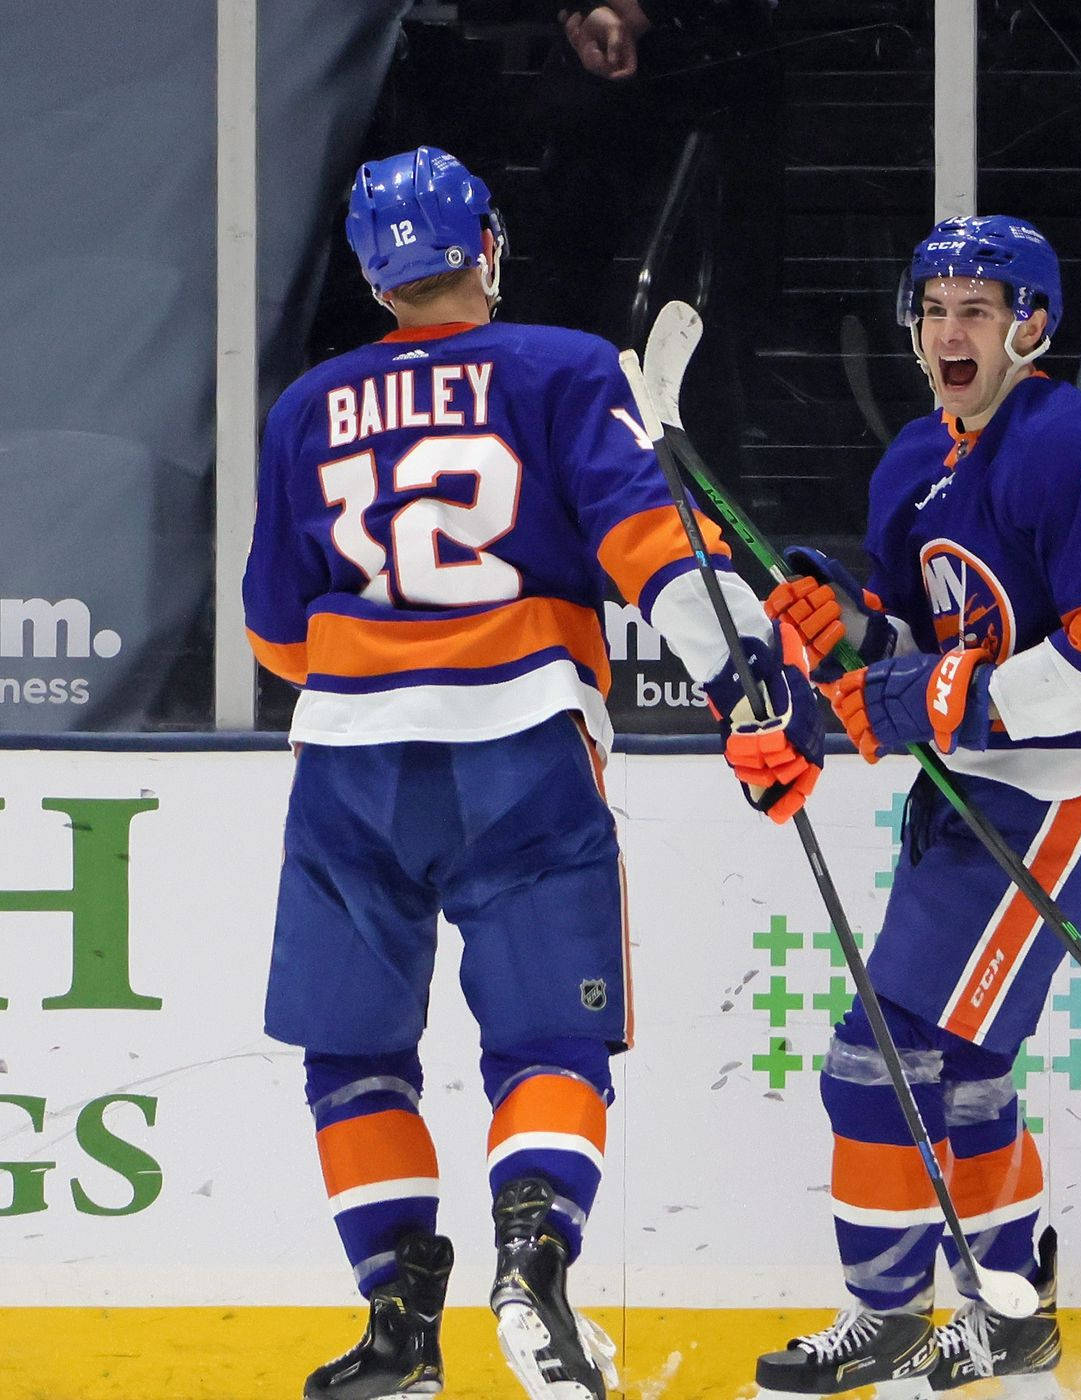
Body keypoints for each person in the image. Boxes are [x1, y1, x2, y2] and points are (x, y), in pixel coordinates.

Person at [242, 145, 823, 1400]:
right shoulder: (562, 368)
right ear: (486, 248)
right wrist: (746, 687)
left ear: (368, 275)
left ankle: (400, 1319)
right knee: (549, 1037)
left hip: (348, 761)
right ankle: (532, 1254)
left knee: (352, 1054)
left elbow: (275, 636)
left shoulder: (304, 410)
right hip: (520, 744)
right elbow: (654, 545)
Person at [756, 216, 1081, 1395]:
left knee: (874, 1058)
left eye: (975, 310)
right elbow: (910, 643)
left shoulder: (1078, 448)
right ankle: (1012, 1321)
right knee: (960, 1065)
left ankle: (885, 1315)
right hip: (973, 796)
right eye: (933, 307)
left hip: (1069, 797)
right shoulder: (911, 460)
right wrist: (841, 627)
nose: (948, 330)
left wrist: (949, 692)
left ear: (1029, 326)